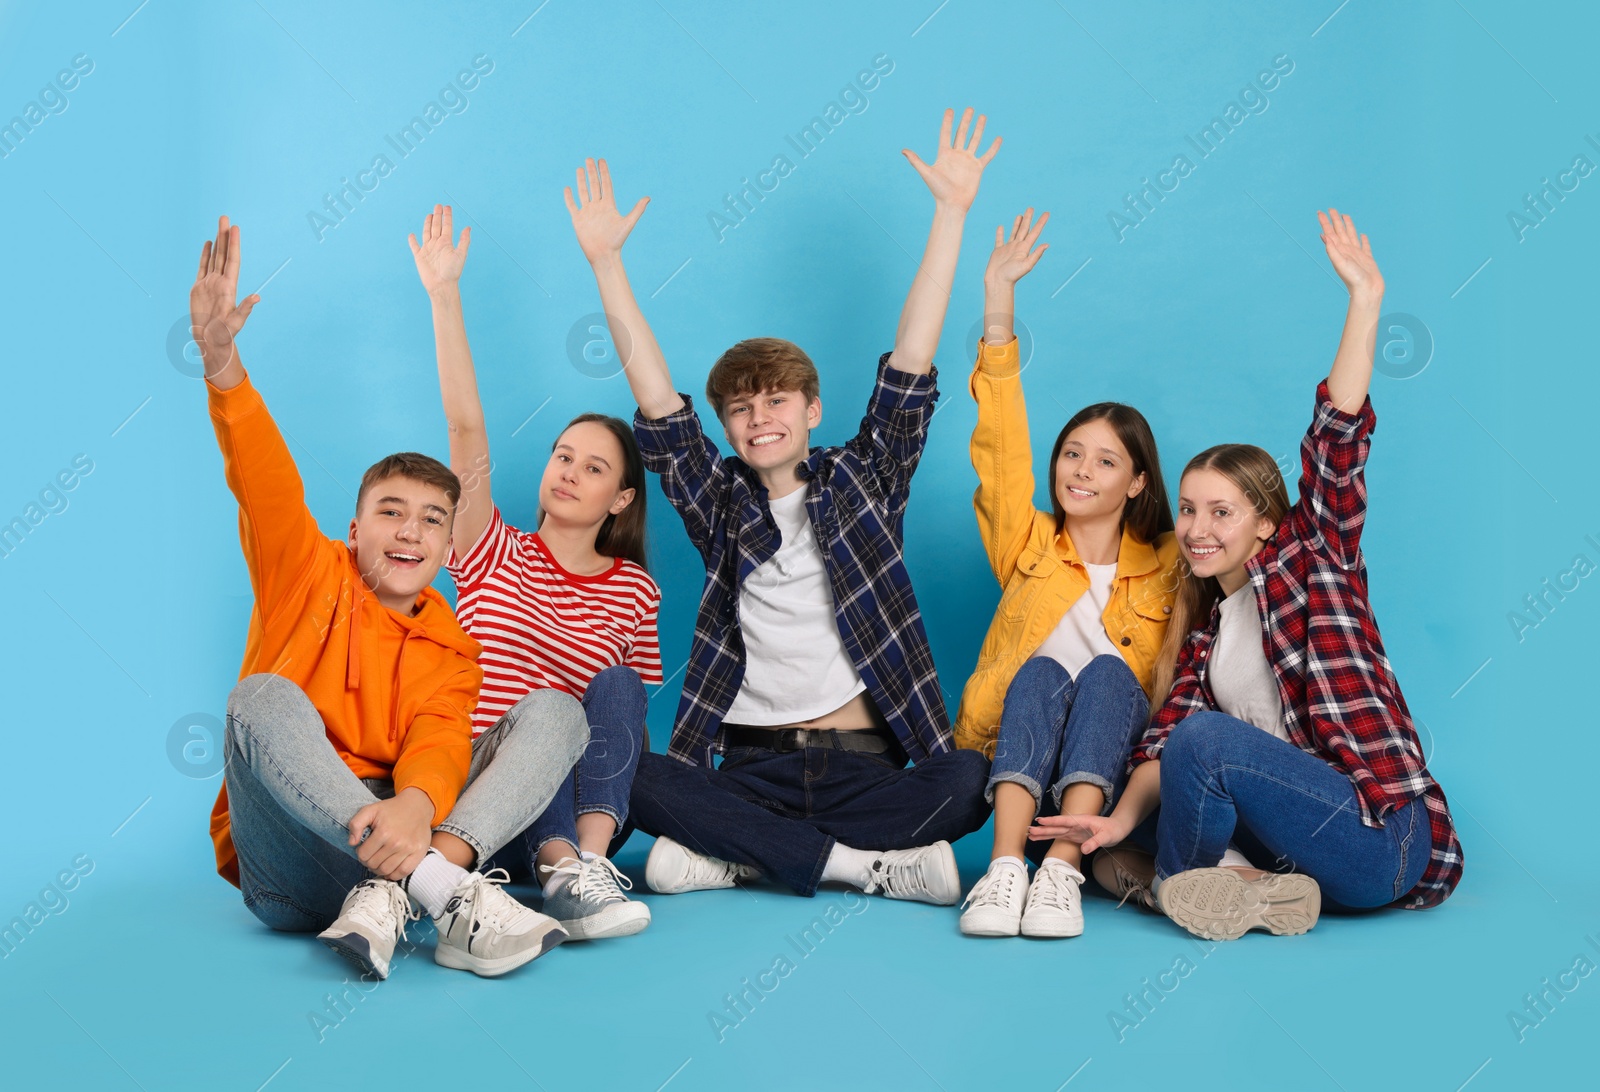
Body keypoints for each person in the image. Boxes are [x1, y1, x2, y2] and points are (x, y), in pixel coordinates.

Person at [571, 108, 999, 905]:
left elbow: (911, 365)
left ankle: (741, 857)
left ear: (811, 410)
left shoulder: (866, 478)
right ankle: (857, 867)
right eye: (740, 409)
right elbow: (659, 406)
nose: (758, 417)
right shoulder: (721, 503)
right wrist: (607, 266)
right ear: (729, 428)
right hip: (749, 768)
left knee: (974, 778)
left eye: (776, 401)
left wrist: (951, 214)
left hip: (866, 767)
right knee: (626, 769)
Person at [1034, 209, 1464, 940]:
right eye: (1192, 511)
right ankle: (1238, 887)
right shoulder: (1207, 635)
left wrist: (1364, 301)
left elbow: (1337, 443)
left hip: (1379, 840)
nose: (1199, 530)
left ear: (1267, 522)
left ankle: (1191, 881)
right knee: (1113, 827)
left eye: (1222, 513)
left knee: (1202, 745)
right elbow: (1164, 743)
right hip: (1301, 844)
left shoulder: (1312, 562)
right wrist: (1113, 824)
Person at [193, 215, 587, 979]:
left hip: (408, 827)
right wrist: (222, 364)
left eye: (432, 521)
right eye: (391, 513)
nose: (410, 533)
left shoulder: (451, 642)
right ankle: (446, 891)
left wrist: (415, 805)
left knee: (555, 712)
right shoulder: (306, 569)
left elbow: (441, 741)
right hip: (297, 868)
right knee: (258, 699)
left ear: (447, 549)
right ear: (354, 527)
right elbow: (265, 478)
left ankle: (406, 891)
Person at [409, 203, 661, 940]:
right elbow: (464, 431)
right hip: (485, 795)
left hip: (581, 815)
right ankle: (558, 868)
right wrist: (444, 294)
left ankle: (580, 871)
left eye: (593, 468)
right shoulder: (492, 549)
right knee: (544, 710)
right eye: (562, 456)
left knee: (613, 688)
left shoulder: (634, 589)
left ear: (620, 500)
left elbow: (626, 727)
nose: (569, 474)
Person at [952, 209, 1181, 938]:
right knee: (1045, 670)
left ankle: (1062, 870)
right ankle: (1006, 868)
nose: (1081, 470)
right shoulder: (1027, 543)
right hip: (1017, 739)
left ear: (1138, 483)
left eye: (1106, 460)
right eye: (1072, 453)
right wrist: (998, 306)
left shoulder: (1174, 560)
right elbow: (1001, 452)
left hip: (1112, 757)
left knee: (1112, 676)